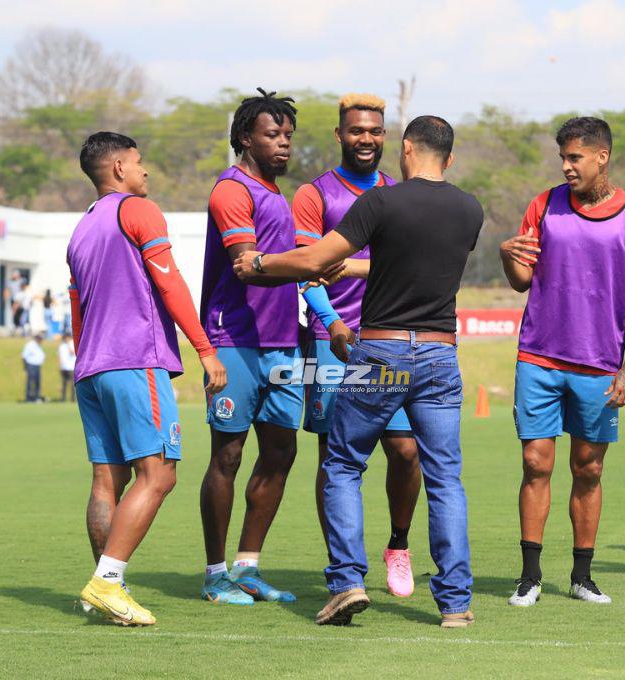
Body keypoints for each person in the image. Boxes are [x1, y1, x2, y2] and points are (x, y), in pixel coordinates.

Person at [235, 115, 484, 628]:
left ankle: (347, 582)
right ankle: (456, 604)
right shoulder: (469, 209)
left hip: (383, 355)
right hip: (440, 353)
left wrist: (259, 265)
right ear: (451, 158)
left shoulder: (381, 202)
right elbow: (406, 263)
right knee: (445, 478)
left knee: (344, 464)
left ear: (407, 150)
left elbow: (316, 259)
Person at [499, 117, 625, 607]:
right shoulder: (543, 205)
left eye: (575, 158)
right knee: (534, 463)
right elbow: (520, 281)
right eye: (563, 159)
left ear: (601, 157)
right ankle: (530, 577)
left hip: (600, 365)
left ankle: (582, 576)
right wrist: (507, 253)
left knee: (588, 468)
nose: (567, 167)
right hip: (539, 357)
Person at [70, 131, 227, 626]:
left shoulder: (81, 230)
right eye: (139, 162)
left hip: (91, 369)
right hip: (134, 361)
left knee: (106, 479)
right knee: (159, 474)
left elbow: (78, 312)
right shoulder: (138, 209)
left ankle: (107, 591)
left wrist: (88, 363)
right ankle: (107, 583)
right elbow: (169, 278)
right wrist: (206, 349)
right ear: (118, 167)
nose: (145, 171)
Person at [292, 93, 421, 598]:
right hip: (331, 341)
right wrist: (333, 322)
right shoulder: (314, 193)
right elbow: (306, 269)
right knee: (336, 459)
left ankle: (398, 547)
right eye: (356, 131)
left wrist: (354, 266)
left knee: (406, 452)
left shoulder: (400, 193)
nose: (365, 139)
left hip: (391, 341)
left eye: (375, 131)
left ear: (385, 136)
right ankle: (343, 572)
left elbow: (410, 268)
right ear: (340, 135)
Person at [197, 89, 307, 607]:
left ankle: (248, 567)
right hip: (235, 341)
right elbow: (246, 263)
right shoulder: (231, 190)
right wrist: (312, 262)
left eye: (288, 135)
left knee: (282, 450)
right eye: (272, 135)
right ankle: (215, 574)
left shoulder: (276, 193)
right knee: (229, 454)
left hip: (283, 345)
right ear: (245, 137)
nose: (283, 144)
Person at [22, 334, 45, 402]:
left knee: (37, 382)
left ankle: (36, 397)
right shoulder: (30, 345)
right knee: (30, 382)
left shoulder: (39, 346)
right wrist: (25, 366)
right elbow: (24, 356)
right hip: (31, 365)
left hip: (37, 366)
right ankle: (29, 397)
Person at [58, 334, 76, 402]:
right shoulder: (62, 346)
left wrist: (69, 345)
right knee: (64, 383)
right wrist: (60, 365)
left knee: (72, 384)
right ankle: (63, 398)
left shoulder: (72, 344)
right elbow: (59, 355)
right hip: (63, 367)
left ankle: (72, 399)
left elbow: (72, 353)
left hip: (71, 367)